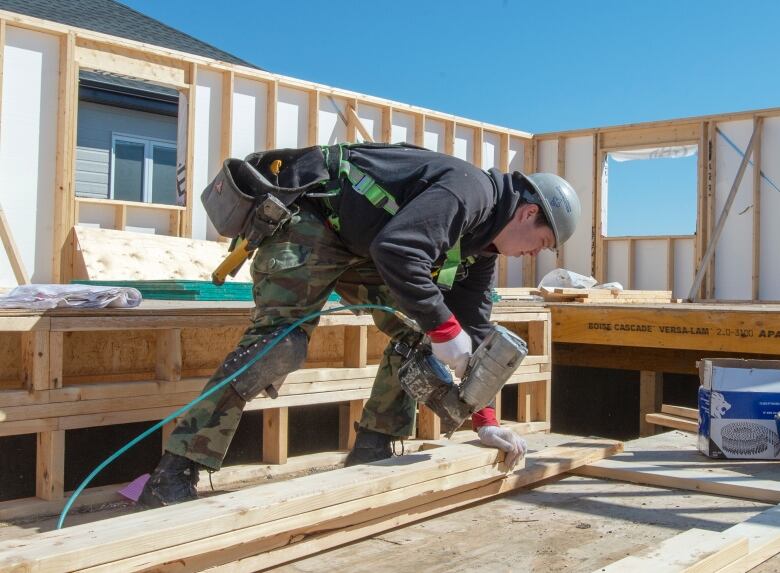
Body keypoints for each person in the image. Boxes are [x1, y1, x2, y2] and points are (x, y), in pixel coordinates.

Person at [139, 142, 581, 507]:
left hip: (363, 245)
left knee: (418, 335)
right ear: (526, 213)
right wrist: (445, 330)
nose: (532, 254)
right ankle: (174, 472)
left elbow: (473, 333)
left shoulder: (483, 247)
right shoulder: (471, 193)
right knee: (280, 346)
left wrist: (485, 418)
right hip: (311, 220)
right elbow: (399, 251)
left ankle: (372, 448)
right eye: (540, 243)